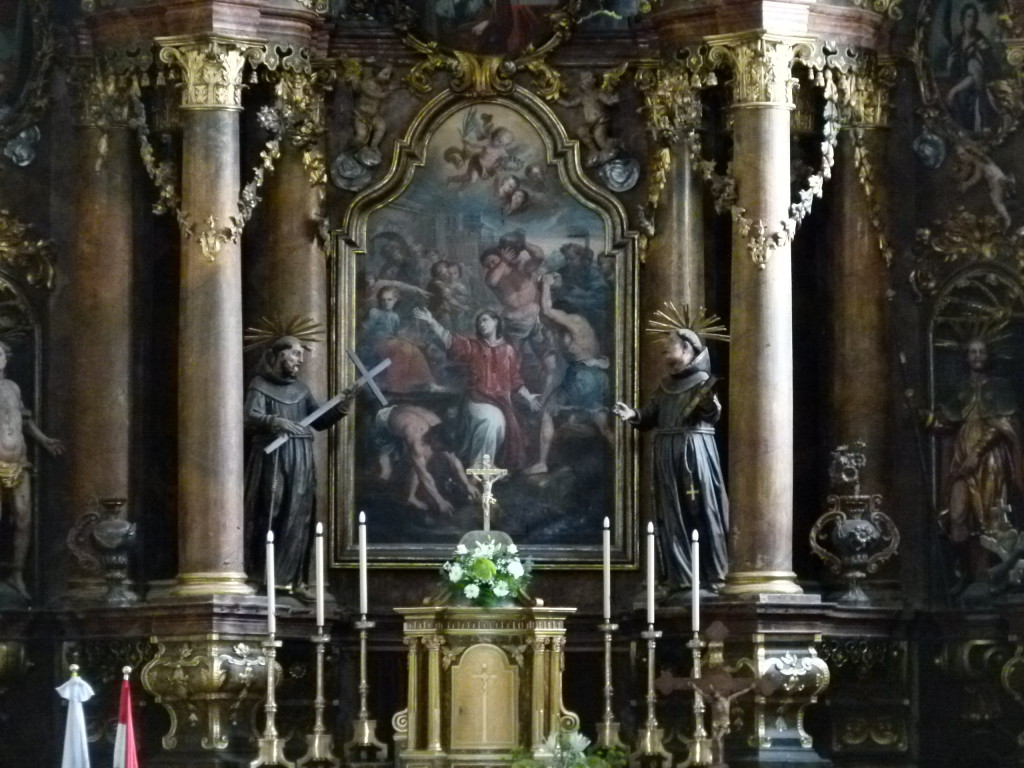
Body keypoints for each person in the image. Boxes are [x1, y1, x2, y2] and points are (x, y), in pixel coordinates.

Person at [612, 321, 729, 592]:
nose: (665, 347)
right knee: (671, 514)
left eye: (671, 343)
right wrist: (634, 414)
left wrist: (709, 405)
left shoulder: (702, 383)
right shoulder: (666, 385)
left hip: (694, 450)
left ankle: (713, 571)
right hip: (666, 451)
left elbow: (712, 414)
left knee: (701, 508)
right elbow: (652, 412)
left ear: (688, 348)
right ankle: (682, 576)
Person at [244, 336, 355, 591]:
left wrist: (342, 405)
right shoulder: (259, 384)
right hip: (273, 455)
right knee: (273, 507)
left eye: (301, 356)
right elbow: (250, 415)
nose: (300, 361)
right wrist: (276, 421)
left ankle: (289, 579)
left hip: (301, 456)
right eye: (295, 354)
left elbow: (318, 420)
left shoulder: (302, 389)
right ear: (280, 355)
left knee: (298, 512)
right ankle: (263, 575)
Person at [930, 338, 1024, 587]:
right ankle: (966, 573)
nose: (977, 356)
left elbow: (1000, 426)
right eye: (972, 351)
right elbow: (948, 420)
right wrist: (923, 416)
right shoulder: (961, 388)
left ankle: (986, 578)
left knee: (989, 516)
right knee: (958, 514)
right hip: (961, 459)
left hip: (991, 460)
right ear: (966, 356)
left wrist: (978, 453)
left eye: (981, 351)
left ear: (988, 355)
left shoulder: (1000, 386)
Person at [413, 306, 541, 470]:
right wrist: (432, 321)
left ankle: (487, 464)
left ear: (495, 322)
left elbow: (515, 379)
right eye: (479, 322)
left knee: (502, 428)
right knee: (491, 421)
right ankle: (481, 465)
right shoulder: (473, 347)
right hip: (478, 399)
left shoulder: (508, 350)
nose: (482, 324)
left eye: (485, 320)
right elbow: (450, 340)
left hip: (502, 402)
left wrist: (529, 397)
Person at [526, 272, 612, 475]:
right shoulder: (583, 326)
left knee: (547, 411)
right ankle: (622, 461)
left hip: (582, 378)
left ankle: (542, 462)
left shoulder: (569, 321)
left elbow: (546, 311)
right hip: (598, 376)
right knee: (603, 427)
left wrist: (545, 284)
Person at [0, 340, 62, 599]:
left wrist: (44, 440)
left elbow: (25, 421)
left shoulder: (13, 387)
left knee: (24, 520)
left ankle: (17, 575)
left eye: (1, 353)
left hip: (20, 461)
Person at [374, 404, 481, 515]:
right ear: (435, 438)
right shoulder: (416, 438)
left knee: (421, 459)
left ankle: (410, 497)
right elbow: (423, 474)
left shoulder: (439, 427)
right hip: (384, 421)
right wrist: (440, 502)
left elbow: (453, 460)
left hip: (403, 412)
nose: (443, 451)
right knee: (386, 474)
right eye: (442, 447)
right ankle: (398, 500)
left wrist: (466, 484)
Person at [945, 2, 1001, 133]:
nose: (972, 20)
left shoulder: (981, 42)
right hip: (962, 88)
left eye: (974, 17)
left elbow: (979, 74)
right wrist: (950, 62)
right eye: (969, 16)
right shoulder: (958, 41)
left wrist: (954, 90)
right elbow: (954, 70)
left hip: (977, 89)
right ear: (963, 19)